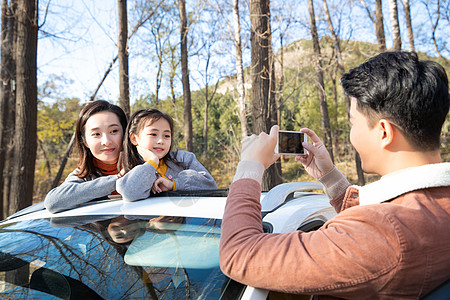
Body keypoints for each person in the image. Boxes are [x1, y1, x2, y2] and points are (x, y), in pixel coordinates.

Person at [219, 51, 450, 298]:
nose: (352, 135)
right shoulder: (435, 205)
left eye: (353, 123)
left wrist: (249, 167)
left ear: (384, 132)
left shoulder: (384, 233)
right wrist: (329, 176)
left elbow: (239, 252)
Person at [44, 100, 127, 213]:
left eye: (113, 131)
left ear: (126, 134)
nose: (106, 141)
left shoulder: (147, 165)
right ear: (85, 141)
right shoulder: (84, 175)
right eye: (96, 134)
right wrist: (119, 179)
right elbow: (52, 202)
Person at [117, 109, 217, 201]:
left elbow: (210, 185)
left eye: (166, 136)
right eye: (153, 134)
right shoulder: (131, 169)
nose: (161, 141)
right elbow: (129, 193)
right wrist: (152, 162)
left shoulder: (183, 159)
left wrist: (174, 184)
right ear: (134, 138)